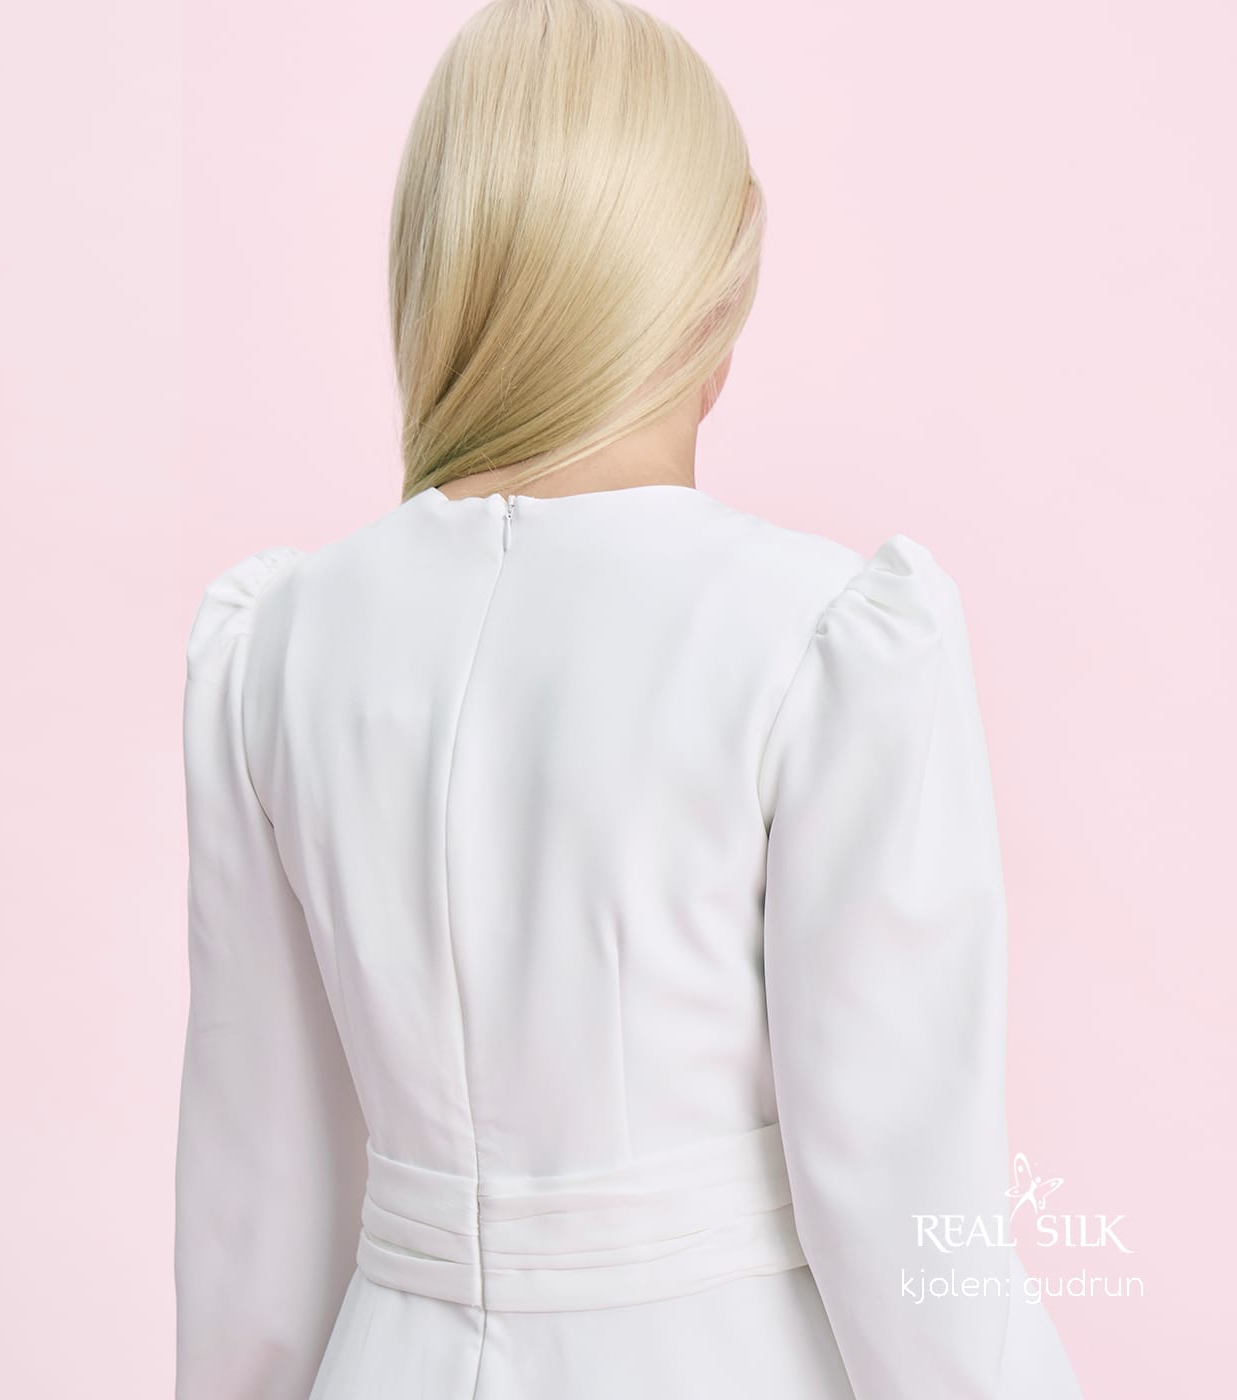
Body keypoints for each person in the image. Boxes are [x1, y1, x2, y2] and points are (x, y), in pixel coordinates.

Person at [173, 1, 1083, 1396]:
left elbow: (257, 1199)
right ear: (709, 296)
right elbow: (910, 1208)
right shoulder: (823, 637)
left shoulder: (277, 646)